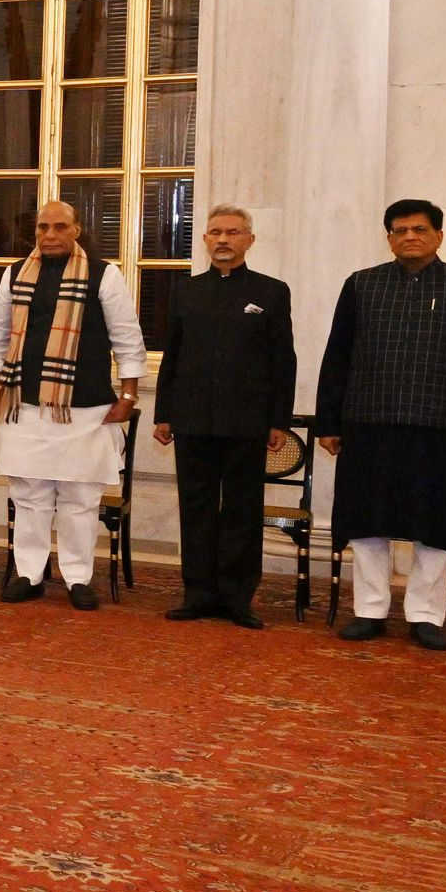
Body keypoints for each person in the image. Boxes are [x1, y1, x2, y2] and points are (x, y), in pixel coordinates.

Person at [315, 198, 446, 653]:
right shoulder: (361, 284)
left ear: (439, 236)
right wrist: (328, 421)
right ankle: (370, 610)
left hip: (442, 426)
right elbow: (337, 356)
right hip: (369, 422)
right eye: (399, 230)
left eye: (419, 229)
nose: (409, 237)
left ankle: (426, 615)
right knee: (366, 521)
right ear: (388, 238)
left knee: (437, 523)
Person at [0, 200, 144, 611]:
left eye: (59, 227)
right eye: (42, 228)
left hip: (84, 409)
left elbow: (127, 338)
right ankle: (29, 574)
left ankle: (77, 578)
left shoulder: (104, 274)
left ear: (76, 230)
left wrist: (128, 395)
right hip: (24, 406)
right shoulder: (15, 273)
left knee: (80, 499)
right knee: (29, 496)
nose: (49, 235)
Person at [151, 205, 296, 629]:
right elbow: (172, 355)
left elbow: (282, 360)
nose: (223, 240)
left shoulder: (271, 291)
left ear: (249, 240)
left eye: (232, 232)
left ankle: (237, 598)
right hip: (193, 419)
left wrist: (278, 420)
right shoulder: (186, 290)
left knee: (242, 510)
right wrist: (164, 414)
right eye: (215, 232)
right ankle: (198, 593)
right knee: (195, 508)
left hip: (247, 421)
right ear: (204, 240)